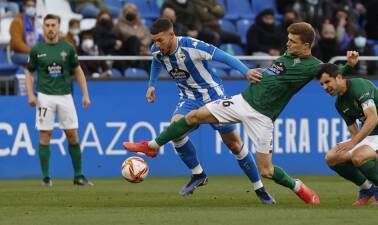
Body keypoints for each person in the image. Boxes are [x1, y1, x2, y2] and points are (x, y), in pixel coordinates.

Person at [123, 22, 359, 205]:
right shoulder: (288, 56)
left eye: (292, 42)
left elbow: (332, 76)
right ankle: (152, 145)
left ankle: (299, 188)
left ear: (306, 45)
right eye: (287, 40)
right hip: (242, 101)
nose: (287, 45)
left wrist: (348, 66)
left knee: (266, 170)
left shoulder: (313, 66)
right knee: (192, 118)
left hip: (263, 117)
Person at [124, 18, 274, 204]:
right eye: (154, 40)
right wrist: (151, 85)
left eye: (160, 40)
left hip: (214, 97)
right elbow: (156, 62)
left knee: (234, 144)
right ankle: (198, 174)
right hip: (188, 98)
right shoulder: (157, 50)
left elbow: (224, 56)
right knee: (175, 131)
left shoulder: (191, 46)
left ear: (171, 35)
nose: (156, 44)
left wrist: (245, 71)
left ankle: (260, 188)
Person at [315, 63, 378, 205]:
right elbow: (354, 132)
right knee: (332, 157)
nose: (324, 87)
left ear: (339, 77)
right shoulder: (340, 103)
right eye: (322, 84)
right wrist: (352, 144)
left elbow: (373, 119)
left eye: (327, 82)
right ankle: (367, 187)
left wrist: (353, 144)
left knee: (358, 156)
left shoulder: (359, 86)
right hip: (372, 136)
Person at [25, 14, 93, 187]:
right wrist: (31, 95)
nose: (50, 28)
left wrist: (85, 94)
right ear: (43, 27)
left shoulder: (68, 48)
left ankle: (78, 176)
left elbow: (78, 71)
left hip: (65, 96)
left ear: (58, 26)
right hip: (45, 97)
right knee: (45, 135)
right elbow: (28, 72)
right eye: (47, 25)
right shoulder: (37, 50)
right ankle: (46, 178)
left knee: (72, 135)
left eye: (53, 25)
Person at [9, 0, 42, 66]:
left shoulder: (37, 22)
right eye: (29, 6)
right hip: (18, 54)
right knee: (36, 59)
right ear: (24, 7)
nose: (31, 8)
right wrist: (32, 52)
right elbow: (17, 43)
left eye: (33, 6)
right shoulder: (17, 22)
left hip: (34, 53)